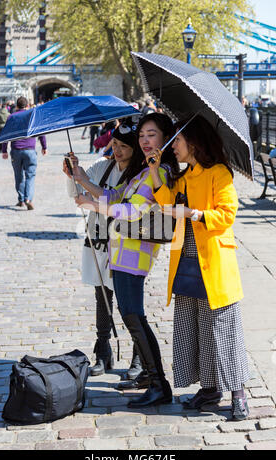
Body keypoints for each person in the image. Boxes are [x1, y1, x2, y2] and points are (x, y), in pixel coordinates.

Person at [69, 113, 180, 407]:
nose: (145, 140)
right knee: (132, 316)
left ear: (165, 138)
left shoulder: (161, 172)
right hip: (121, 253)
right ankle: (150, 377)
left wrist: (93, 204)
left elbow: (132, 212)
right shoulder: (144, 169)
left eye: (151, 135)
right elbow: (116, 195)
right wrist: (81, 179)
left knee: (134, 316)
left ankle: (158, 383)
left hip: (134, 255)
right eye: (142, 135)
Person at [148, 115, 250, 421]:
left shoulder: (218, 173)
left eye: (176, 140)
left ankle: (239, 393)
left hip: (214, 265)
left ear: (193, 142)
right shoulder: (184, 176)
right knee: (195, 330)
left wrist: (194, 213)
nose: (173, 146)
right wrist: (154, 171)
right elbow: (165, 202)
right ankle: (209, 389)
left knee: (223, 331)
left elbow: (227, 215)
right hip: (186, 263)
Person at [63, 118, 143, 380]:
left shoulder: (139, 175)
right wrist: (72, 175)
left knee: (129, 303)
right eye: (115, 144)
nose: (117, 150)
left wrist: (85, 185)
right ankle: (103, 351)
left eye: (124, 146)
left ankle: (139, 355)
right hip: (98, 240)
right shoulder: (102, 167)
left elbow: (113, 202)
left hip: (125, 244)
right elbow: (77, 197)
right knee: (102, 298)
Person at [1, 96, 47, 210]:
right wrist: (44, 146)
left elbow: (5, 134)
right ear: (27, 106)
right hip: (30, 150)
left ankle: (21, 199)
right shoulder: (32, 115)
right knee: (30, 176)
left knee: (19, 176)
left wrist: (4, 150)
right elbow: (41, 132)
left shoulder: (11, 117)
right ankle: (28, 199)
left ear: (16, 106)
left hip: (16, 150)